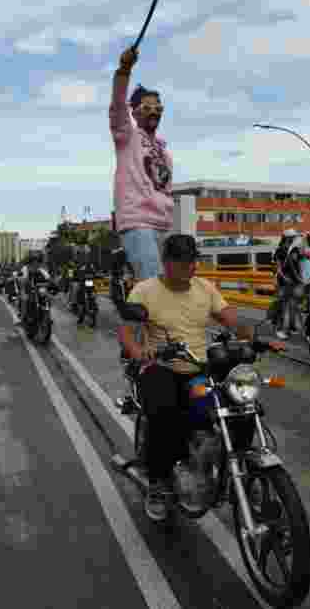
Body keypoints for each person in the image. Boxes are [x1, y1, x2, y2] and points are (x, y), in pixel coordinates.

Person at [116, 234, 239, 522]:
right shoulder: (145, 290)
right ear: (167, 262)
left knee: (229, 408)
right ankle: (158, 483)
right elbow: (127, 329)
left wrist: (251, 334)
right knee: (163, 413)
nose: (190, 267)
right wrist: (136, 351)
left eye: (193, 261)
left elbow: (227, 315)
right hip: (160, 366)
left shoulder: (204, 288)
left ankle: (234, 468)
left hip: (197, 368)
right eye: (183, 262)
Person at [109, 46, 174, 284]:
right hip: (138, 223)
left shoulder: (163, 150)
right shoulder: (127, 136)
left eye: (158, 108)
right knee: (155, 292)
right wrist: (124, 71)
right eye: (147, 108)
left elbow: (164, 187)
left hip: (164, 225)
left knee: (171, 291)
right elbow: (117, 108)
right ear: (134, 113)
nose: (154, 112)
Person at [273, 230, 305, 340]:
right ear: (287, 238)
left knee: (292, 305)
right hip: (285, 282)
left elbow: (299, 265)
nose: (294, 238)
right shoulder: (280, 250)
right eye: (292, 237)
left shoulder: (294, 249)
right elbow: (278, 267)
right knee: (285, 306)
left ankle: (290, 328)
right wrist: (285, 278)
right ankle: (283, 329)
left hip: (293, 281)